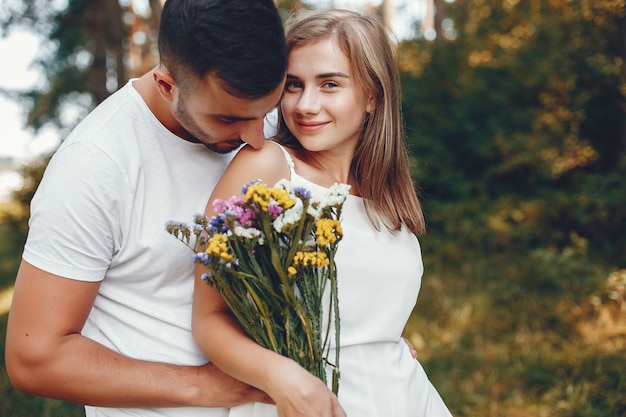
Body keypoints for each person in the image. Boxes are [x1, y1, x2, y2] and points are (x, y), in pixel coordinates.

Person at [5, 1, 288, 416]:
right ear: (167, 84)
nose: (256, 136)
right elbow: (35, 358)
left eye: (265, 111)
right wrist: (203, 387)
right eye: (228, 119)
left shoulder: (263, 104)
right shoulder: (96, 165)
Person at [192, 8, 454, 417]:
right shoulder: (266, 168)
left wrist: (383, 340)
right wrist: (281, 377)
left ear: (372, 95)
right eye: (293, 85)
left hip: (406, 399)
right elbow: (210, 319)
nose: (305, 105)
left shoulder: (388, 196)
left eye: (329, 84)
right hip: (302, 403)